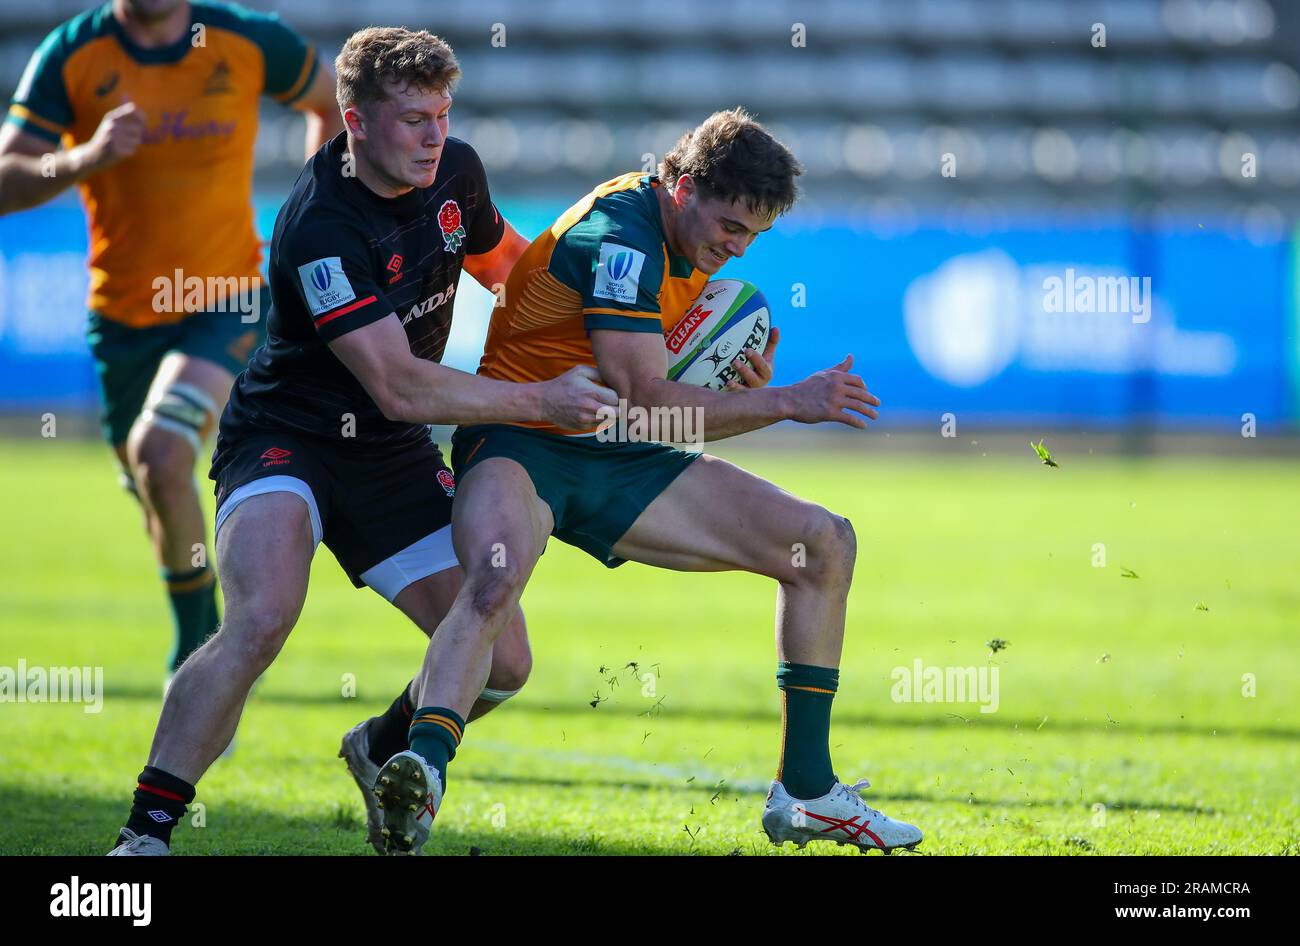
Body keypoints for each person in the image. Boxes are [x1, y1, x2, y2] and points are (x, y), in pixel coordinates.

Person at [106, 26, 617, 856]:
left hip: (388, 454)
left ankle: (382, 746)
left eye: (443, 114)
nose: (433, 135)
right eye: (413, 118)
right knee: (263, 617)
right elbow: (400, 384)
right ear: (354, 121)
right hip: (287, 437)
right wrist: (543, 399)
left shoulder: (458, 169)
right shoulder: (319, 227)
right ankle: (145, 836)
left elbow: (510, 272)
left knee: (504, 663)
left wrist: (614, 335)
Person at [374, 107, 925, 855]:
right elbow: (649, 401)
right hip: (520, 438)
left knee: (823, 544)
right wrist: (786, 401)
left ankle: (805, 790)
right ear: (684, 185)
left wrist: (733, 380)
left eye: (753, 237)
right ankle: (422, 770)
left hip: (616, 451)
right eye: (730, 227)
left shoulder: (682, 233)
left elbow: (646, 393)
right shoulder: (622, 237)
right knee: (495, 582)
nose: (735, 250)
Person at [0, 0, 342, 679]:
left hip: (226, 298)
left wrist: (313, 211)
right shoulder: (74, 55)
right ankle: (196, 617)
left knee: (161, 452)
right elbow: (9, 178)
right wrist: (86, 157)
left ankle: (199, 648)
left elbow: (331, 102)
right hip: (123, 318)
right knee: (153, 483)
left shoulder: (244, 39)